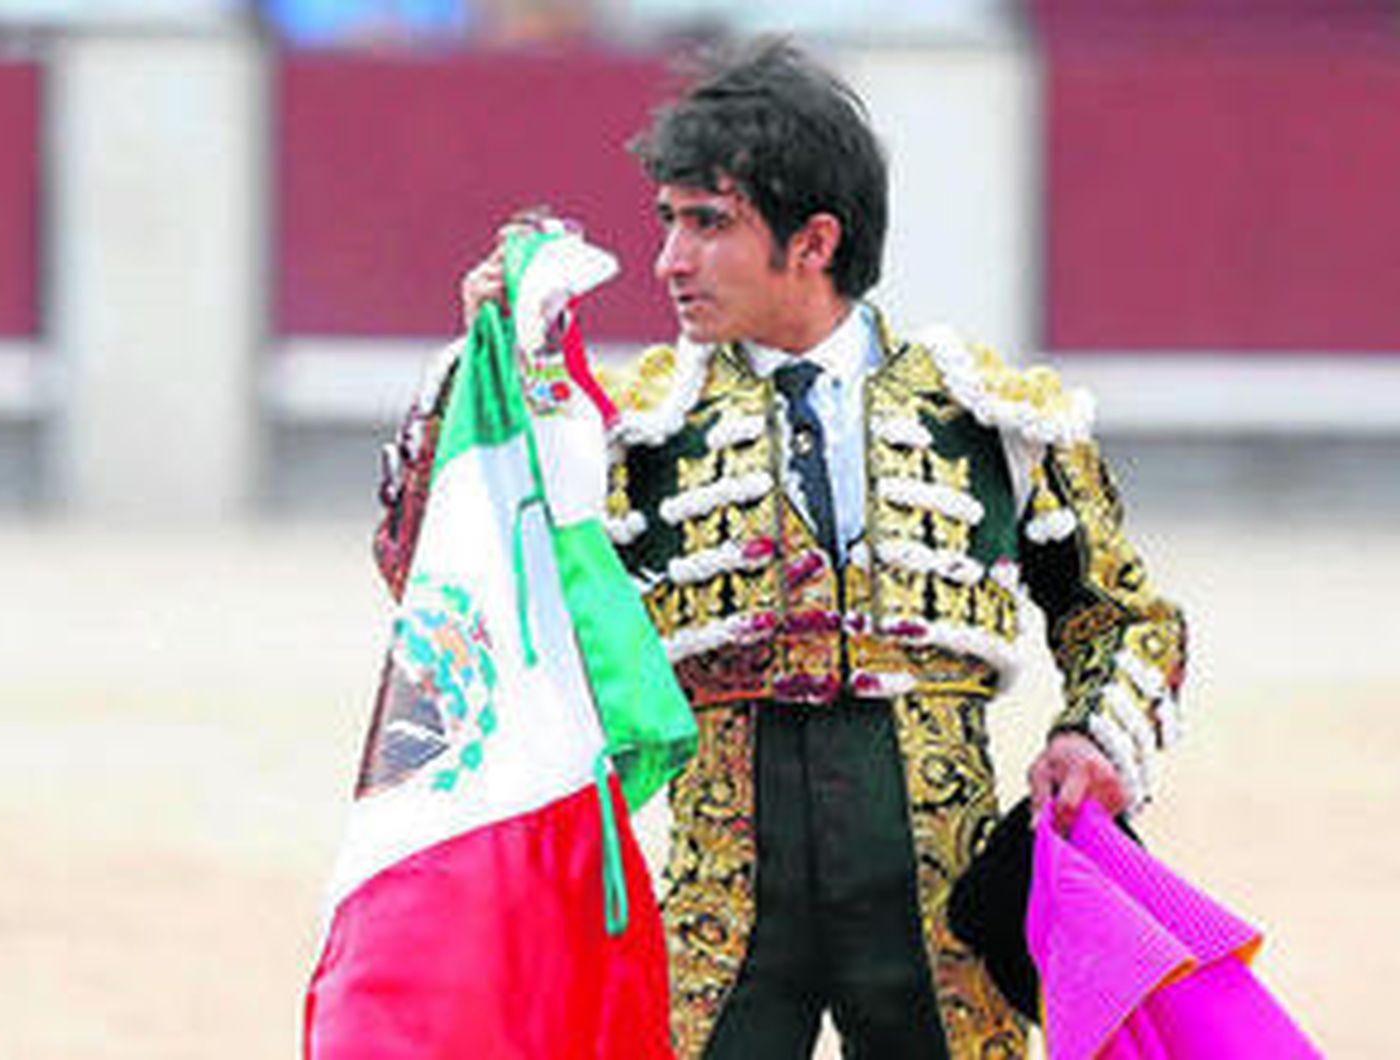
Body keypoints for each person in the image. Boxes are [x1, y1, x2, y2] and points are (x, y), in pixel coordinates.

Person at [375, 38, 1186, 1060]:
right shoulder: (629, 432)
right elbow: (438, 579)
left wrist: (1091, 738)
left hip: (936, 904)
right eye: (669, 220)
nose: (670, 259)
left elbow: (1124, 615)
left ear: (813, 241)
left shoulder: (988, 418)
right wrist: (482, 374)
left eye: (708, 223)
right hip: (725, 907)